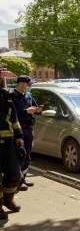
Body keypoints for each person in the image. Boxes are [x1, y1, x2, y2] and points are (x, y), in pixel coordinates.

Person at [10, 76, 41, 191]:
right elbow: (12, 114)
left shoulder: (28, 96)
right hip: (19, 130)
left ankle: (23, 178)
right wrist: (25, 111)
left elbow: (34, 106)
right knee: (19, 155)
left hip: (29, 128)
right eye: (28, 84)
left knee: (27, 155)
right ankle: (16, 180)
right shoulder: (12, 97)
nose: (29, 87)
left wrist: (37, 109)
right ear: (21, 84)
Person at [0, 88, 24, 220]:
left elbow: (14, 118)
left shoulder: (5, 95)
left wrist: (19, 135)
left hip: (8, 141)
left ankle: (8, 199)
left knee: (14, 172)